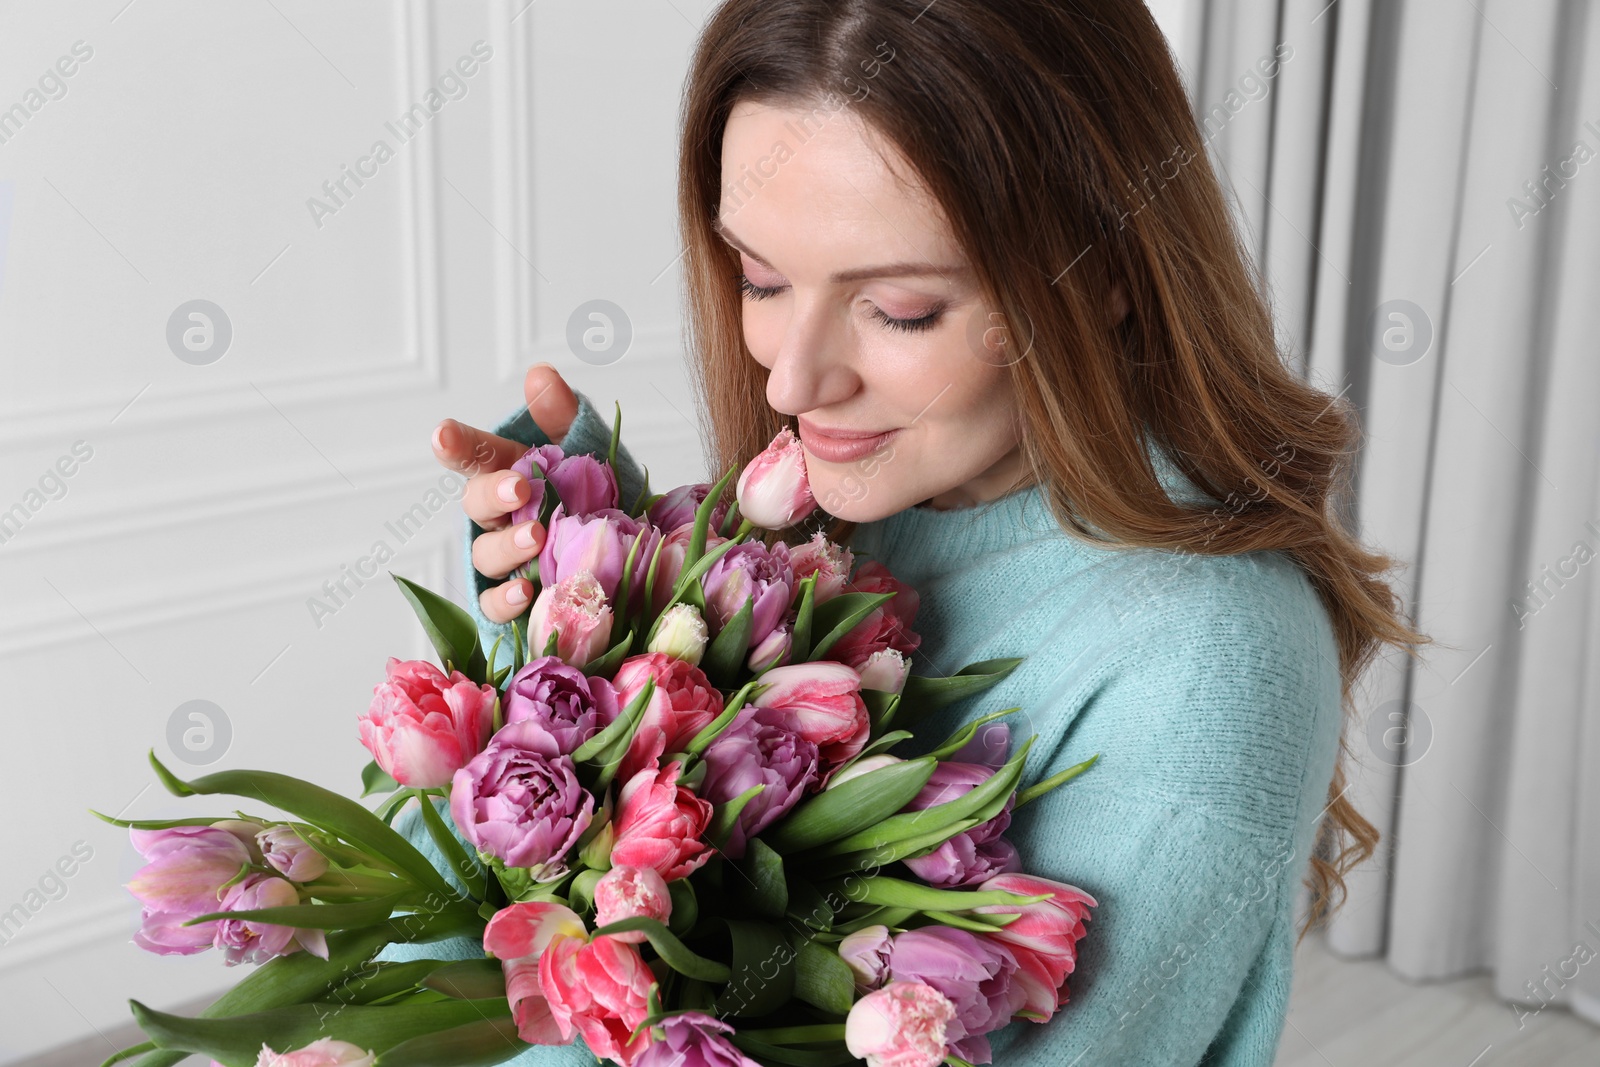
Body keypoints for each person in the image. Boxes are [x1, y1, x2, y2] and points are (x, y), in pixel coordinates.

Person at [380, 2, 1425, 1064]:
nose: (791, 377)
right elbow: (424, 945)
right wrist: (583, 611)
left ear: (1105, 270)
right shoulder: (849, 508)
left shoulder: (1210, 666)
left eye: (902, 306)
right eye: (761, 278)